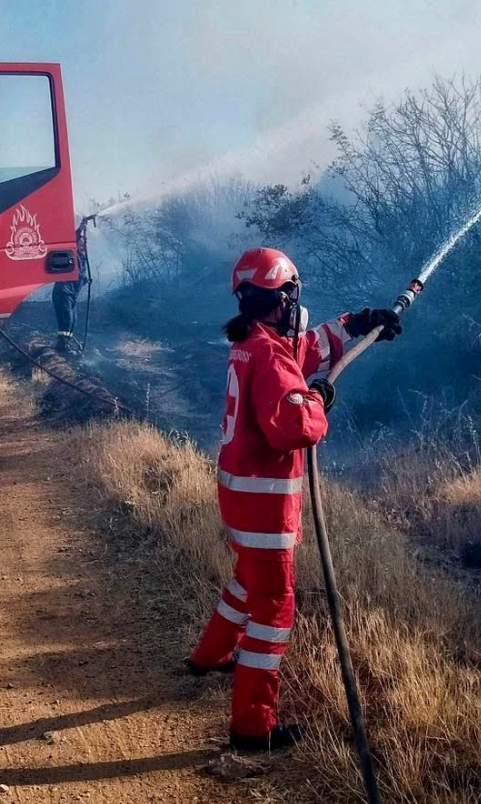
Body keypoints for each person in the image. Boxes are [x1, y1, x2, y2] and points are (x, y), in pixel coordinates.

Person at [186, 247, 401, 753]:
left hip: (240, 495)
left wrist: (360, 322)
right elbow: (294, 426)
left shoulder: (253, 342)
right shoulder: (269, 357)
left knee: (248, 578)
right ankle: (251, 729)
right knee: (275, 608)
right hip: (266, 503)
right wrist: (318, 401)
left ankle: (210, 656)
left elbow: (307, 348)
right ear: (281, 298)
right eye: (290, 294)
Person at [53, 217, 92, 352]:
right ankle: (62, 345)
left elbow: (79, 274)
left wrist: (85, 279)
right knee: (67, 319)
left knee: (73, 320)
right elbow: (73, 240)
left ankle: (66, 343)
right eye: (81, 242)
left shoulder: (82, 258)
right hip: (63, 292)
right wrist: (81, 228)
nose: (84, 244)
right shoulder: (72, 253)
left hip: (72, 294)